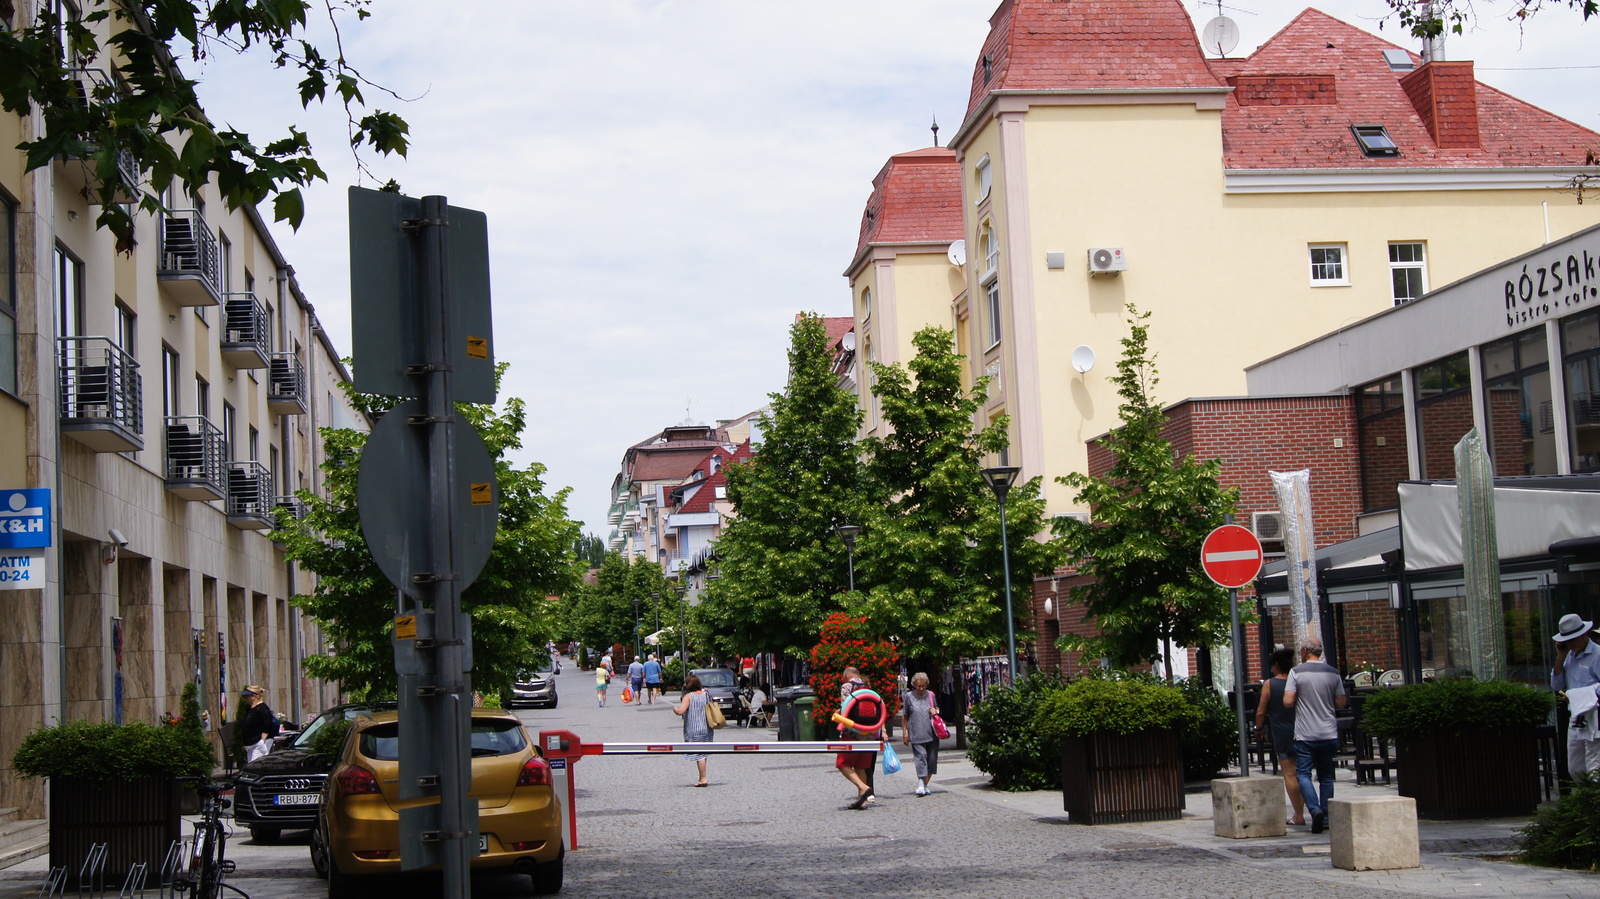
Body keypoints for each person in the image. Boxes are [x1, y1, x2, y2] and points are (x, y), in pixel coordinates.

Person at [1284, 638, 1348, 834]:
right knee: (1327, 776)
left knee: (1303, 774)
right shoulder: (1333, 673)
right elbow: (1341, 702)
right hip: (1328, 732)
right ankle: (1326, 816)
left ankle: (1314, 809)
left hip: (1306, 733)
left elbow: (1288, 701)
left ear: (1304, 651)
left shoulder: (1296, 672)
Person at [1254, 647, 1306, 826]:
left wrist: (1258, 728)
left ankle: (1299, 814)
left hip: (1282, 732)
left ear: (1276, 665)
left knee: (1290, 774)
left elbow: (1261, 711)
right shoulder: (1298, 681)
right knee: (1303, 774)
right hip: (1303, 730)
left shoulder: (1270, 684)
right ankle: (1308, 809)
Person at [1552, 613, 1600, 778]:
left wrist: (1577, 696)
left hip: (1594, 716)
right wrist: (1560, 657)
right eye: (1566, 641)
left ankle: (1593, 799)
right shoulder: (1569, 656)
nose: (1569, 644)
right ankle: (1587, 799)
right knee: (1575, 766)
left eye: (1572, 640)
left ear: (1583, 634)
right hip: (1576, 714)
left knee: (1594, 762)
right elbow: (1557, 685)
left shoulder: (1598, 654)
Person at [836, 667, 878, 808]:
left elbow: (845, 708)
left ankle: (863, 787)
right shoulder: (868, 686)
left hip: (852, 733)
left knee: (842, 764)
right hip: (868, 734)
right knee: (861, 767)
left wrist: (837, 714)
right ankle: (862, 801)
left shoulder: (847, 686)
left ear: (847, 675)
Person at [900, 672, 941, 796]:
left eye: (923, 686)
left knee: (932, 760)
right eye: (919, 686)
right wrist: (904, 733)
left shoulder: (931, 695)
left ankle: (924, 784)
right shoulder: (909, 696)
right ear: (914, 685)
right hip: (916, 732)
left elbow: (938, 709)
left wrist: (936, 711)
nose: (921, 688)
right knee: (921, 757)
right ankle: (920, 784)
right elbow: (905, 715)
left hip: (932, 733)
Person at [673, 673, 713, 786]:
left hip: (694, 728)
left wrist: (674, 708)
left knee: (699, 754)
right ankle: (701, 777)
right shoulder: (705, 694)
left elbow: (681, 711)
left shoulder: (689, 696)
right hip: (707, 727)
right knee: (703, 753)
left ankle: (703, 778)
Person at [237, 685, 280, 763]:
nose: (246, 698)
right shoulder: (250, 708)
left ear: (254, 696)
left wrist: (262, 741)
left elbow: (267, 724)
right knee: (250, 765)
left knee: (254, 764)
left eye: (247, 696)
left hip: (257, 743)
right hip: (249, 744)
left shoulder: (262, 708)